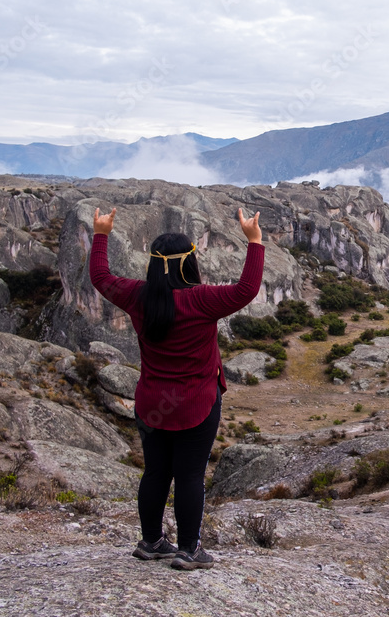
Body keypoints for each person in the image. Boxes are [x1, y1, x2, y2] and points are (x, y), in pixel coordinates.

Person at [89, 206, 264, 571]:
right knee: (188, 476)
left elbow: (101, 277)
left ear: (153, 264)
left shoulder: (138, 296)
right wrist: (254, 241)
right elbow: (247, 289)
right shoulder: (201, 300)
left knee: (155, 472)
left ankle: (151, 541)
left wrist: (101, 234)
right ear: (189, 264)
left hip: (152, 402)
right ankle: (188, 549)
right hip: (195, 404)